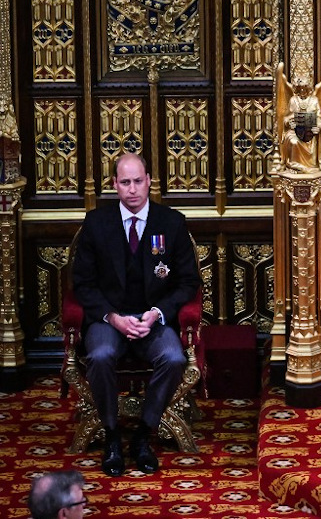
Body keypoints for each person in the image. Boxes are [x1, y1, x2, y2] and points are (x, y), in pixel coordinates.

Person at [72, 153, 200, 476]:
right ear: (114, 185)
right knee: (99, 356)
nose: (132, 189)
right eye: (125, 182)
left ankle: (143, 434)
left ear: (149, 182)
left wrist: (157, 314)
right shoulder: (96, 224)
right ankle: (112, 435)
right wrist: (113, 318)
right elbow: (83, 285)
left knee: (173, 358)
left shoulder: (171, 223)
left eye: (138, 181)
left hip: (152, 321)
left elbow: (189, 283)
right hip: (109, 321)